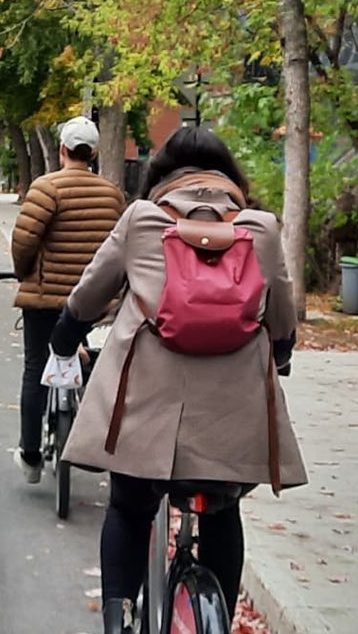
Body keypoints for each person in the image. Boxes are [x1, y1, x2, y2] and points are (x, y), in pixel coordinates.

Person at [49, 127, 306, 633]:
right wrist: (279, 354)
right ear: (230, 179)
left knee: (128, 507)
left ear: (160, 178)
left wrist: (64, 337)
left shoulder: (142, 220)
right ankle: (220, 619)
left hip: (145, 419)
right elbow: (282, 318)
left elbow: (90, 293)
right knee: (222, 513)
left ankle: (118, 620)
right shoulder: (262, 229)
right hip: (233, 423)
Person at [9, 115, 125, 483]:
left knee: (35, 369)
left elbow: (24, 241)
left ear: (62, 150)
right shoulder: (112, 196)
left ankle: (30, 456)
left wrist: (24, 272)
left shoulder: (46, 189)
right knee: (96, 364)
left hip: (45, 299)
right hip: (94, 302)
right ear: (92, 154)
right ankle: (94, 440)